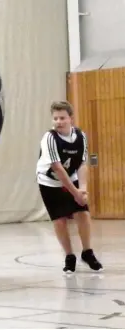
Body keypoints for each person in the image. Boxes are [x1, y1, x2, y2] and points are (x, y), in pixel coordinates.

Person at [36, 101, 103, 274]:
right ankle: (69, 256)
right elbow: (57, 168)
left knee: (83, 214)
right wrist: (75, 193)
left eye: (62, 118)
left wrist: (83, 189)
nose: (58, 121)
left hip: (71, 177)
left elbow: (81, 164)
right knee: (59, 220)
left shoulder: (81, 136)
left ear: (71, 118)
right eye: (55, 118)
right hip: (50, 182)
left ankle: (87, 252)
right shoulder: (49, 138)